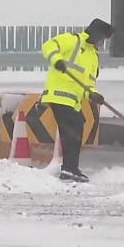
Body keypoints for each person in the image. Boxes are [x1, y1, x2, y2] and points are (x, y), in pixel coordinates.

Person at [40, 18, 114, 182]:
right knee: (71, 133)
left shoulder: (93, 57)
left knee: (77, 129)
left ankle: (71, 168)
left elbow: (87, 84)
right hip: (58, 95)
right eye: (102, 38)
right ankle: (69, 169)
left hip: (72, 102)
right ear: (95, 34)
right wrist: (57, 60)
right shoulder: (73, 40)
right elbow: (49, 45)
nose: (102, 43)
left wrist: (93, 94)